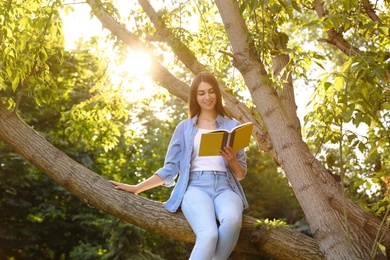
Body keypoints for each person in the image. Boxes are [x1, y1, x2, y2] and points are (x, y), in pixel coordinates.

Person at [110, 71, 249, 260]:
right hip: (196, 187)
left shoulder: (232, 125)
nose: (207, 97)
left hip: (227, 187)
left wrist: (231, 159)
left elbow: (240, 175)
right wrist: (137, 188)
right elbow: (170, 169)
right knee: (208, 234)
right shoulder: (184, 128)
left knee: (232, 223)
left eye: (210, 91)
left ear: (217, 93)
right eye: (201, 93)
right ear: (195, 97)